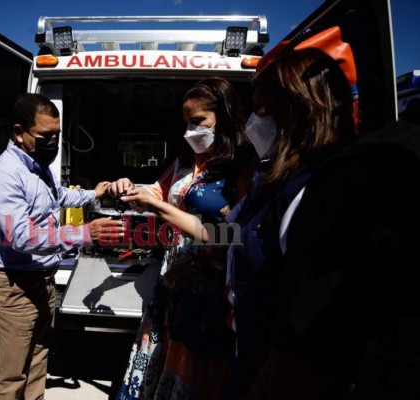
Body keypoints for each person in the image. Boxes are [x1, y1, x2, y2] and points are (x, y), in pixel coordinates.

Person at [244, 121, 420, 400]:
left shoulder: (366, 166)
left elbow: (232, 233)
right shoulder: (259, 172)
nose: (252, 122)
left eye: (264, 106)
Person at [110, 77, 257, 399]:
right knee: (163, 356)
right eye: (186, 123)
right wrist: (130, 187)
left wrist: (197, 264)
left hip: (212, 290)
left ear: (225, 115)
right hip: (172, 279)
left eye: (198, 122)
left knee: (195, 370)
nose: (190, 131)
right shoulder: (184, 163)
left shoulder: (244, 169)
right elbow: (159, 191)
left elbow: (239, 235)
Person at [225, 48, 358, 397]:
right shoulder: (270, 182)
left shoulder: (318, 191)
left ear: (295, 107)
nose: (254, 120)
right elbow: (235, 234)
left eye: (260, 106)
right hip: (250, 356)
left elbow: (313, 333)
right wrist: (168, 225)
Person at [0, 93, 124, 400]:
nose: (53, 142)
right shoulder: (5, 175)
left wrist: (93, 194)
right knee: (13, 376)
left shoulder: (37, 166)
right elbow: (22, 237)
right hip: (12, 289)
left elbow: (58, 196)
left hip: (39, 284)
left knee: (38, 362)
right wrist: (83, 233)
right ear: (19, 132)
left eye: (57, 135)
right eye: (45, 135)